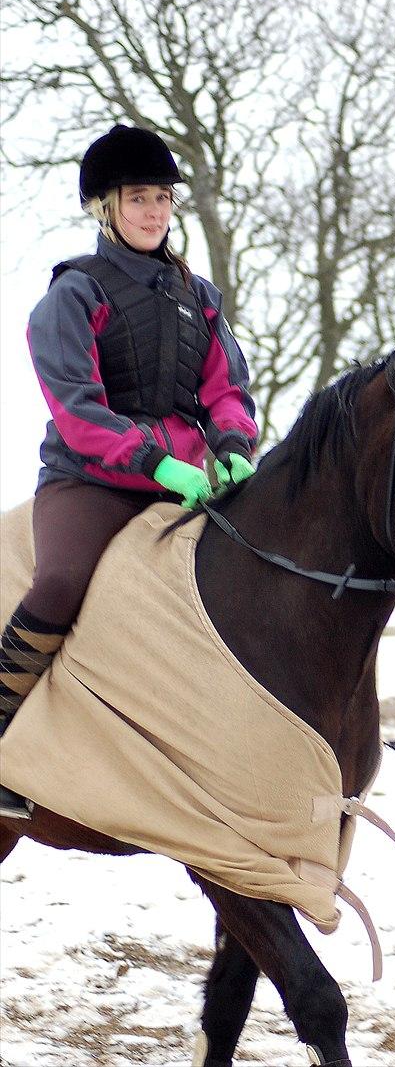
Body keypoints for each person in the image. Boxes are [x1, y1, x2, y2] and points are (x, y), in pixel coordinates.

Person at [0, 124, 258, 819]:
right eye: (138, 197)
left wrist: (233, 444)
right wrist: (160, 463)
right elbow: (79, 411)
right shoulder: (72, 295)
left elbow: (227, 386)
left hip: (190, 477)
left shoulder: (198, 295)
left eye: (162, 198)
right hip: (89, 481)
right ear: (105, 208)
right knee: (59, 580)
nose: (153, 211)